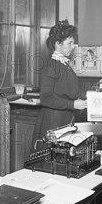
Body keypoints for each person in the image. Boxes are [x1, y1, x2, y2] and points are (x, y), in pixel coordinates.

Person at [32, 20, 87, 148]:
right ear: (58, 44)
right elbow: (45, 98)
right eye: (70, 43)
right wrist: (72, 104)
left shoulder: (64, 65)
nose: (73, 46)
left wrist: (90, 94)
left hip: (65, 120)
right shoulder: (52, 66)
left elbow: (72, 91)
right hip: (53, 122)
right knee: (52, 161)